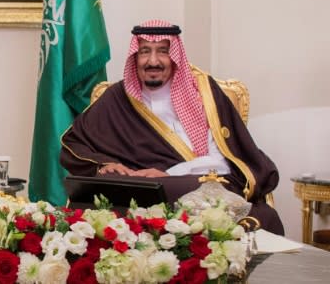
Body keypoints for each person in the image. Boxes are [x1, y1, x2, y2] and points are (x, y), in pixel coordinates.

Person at [60, 19, 285, 234]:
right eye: (145, 51)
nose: (153, 61)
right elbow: (73, 145)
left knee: (193, 191)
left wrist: (168, 174)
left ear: (175, 56)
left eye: (163, 51)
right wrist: (105, 165)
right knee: (109, 187)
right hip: (136, 185)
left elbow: (224, 161)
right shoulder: (117, 97)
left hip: (193, 183)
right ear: (135, 57)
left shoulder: (204, 94)